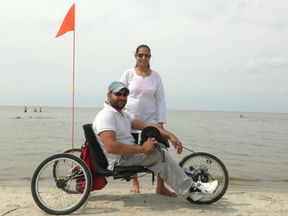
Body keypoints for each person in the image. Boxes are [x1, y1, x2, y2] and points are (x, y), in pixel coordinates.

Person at [92, 81, 219, 202]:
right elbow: (111, 147)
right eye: (118, 94)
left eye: (125, 94)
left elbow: (146, 125)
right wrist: (142, 149)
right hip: (120, 159)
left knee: (160, 146)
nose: (122, 97)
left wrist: (170, 135)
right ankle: (191, 189)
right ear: (109, 95)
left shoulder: (123, 114)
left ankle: (185, 181)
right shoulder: (107, 115)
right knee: (159, 155)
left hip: (128, 154)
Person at [120, 44, 168, 195]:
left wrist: (160, 123)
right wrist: (121, 114)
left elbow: (160, 100)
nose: (143, 58)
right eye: (140, 55)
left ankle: (160, 186)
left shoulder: (156, 77)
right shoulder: (128, 74)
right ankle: (136, 183)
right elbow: (120, 95)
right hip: (130, 121)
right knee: (132, 151)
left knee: (161, 151)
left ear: (150, 58)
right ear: (136, 56)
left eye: (146, 55)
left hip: (150, 122)